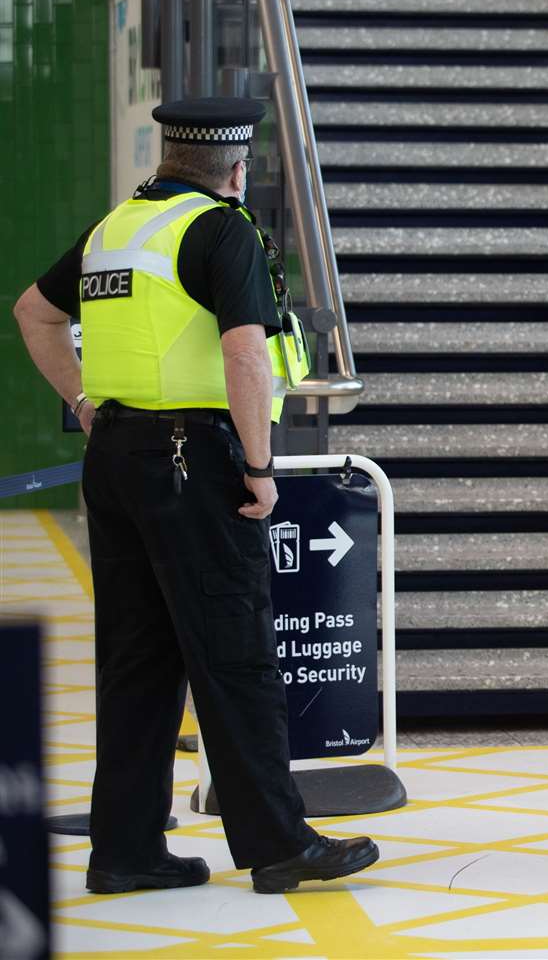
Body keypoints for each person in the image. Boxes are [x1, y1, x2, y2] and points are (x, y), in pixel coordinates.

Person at [11, 98, 379, 895]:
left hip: (114, 459)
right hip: (194, 460)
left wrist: (82, 403)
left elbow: (34, 313)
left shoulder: (115, 230)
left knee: (137, 658)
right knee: (235, 653)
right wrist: (259, 465)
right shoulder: (221, 230)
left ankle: (128, 849)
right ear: (237, 169)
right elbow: (247, 353)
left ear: (170, 156)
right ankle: (280, 844)